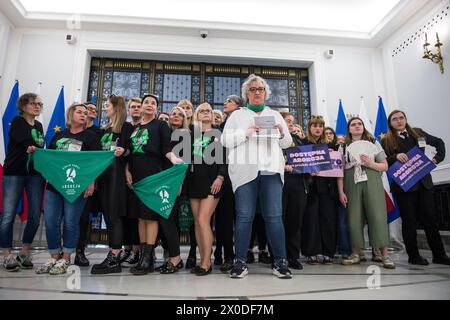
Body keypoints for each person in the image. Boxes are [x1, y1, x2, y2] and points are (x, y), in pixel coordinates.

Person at [221, 74, 293, 279]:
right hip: (245, 172)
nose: (257, 92)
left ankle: (280, 262)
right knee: (244, 217)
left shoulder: (275, 115)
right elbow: (225, 141)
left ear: (265, 93)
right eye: (252, 89)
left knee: (274, 217)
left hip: (271, 169)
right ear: (246, 94)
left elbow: (287, 143)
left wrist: (281, 133)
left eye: (260, 89)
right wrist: (246, 132)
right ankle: (240, 262)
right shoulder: (237, 116)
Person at [35, 103, 101, 275]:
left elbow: (95, 162)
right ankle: (54, 256)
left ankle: (66, 258)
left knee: (71, 222)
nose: (83, 115)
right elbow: (50, 158)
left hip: (77, 187)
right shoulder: (58, 135)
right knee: (50, 222)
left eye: (85, 113)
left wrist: (91, 182)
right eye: (79, 112)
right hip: (54, 185)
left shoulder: (91, 137)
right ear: (70, 115)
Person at [382, 110, 450, 266]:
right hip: (404, 187)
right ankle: (413, 256)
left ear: (405, 119)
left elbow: (439, 142)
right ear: (390, 123)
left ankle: (439, 255)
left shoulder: (418, 133)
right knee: (409, 221)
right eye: (395, 119)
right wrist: (395, 157)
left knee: (430, 221)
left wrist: (437, 159)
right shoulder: (387, 141)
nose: (399, 121)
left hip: (424, 183)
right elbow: (383, 160)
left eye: (401, 118)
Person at [127, 94, 182, 275]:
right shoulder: (135, 128)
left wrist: (173, 158)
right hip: (137, 179)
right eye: (146, 102)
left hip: (153, 177)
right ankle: (146, 259)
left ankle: (146, 259)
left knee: (150, 217)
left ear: (156, 109)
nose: (150, 105)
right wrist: (127, 171)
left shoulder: (160, 125)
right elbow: (131, 152)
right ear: (141, 107)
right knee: (140, 218)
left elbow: (167, 148)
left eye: (153, 103)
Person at [337, 117, 395, 269]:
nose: (357, 126)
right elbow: (339, 171)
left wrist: (370, 163)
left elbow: (385, 166)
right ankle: (356, 254)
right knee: (354, 216)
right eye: (353, 124)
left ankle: (384, 255)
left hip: (372, 178)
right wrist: (340, 191)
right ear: (349, 129)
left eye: (359, 124)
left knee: (377, 215)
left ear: (363, 127)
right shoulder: (343, 146)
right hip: (351, 181)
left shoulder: (374, 142)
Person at [1, 93, 45, 271]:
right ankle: (7, 254)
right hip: (14, 173)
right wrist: (32, 146)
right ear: (24, 106)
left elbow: (40, 146)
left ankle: (24, 252)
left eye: (40, 104)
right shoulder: (17, 122)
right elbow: (26, 142)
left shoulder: (40, 125)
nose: (37, 107)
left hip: (35, 174)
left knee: (35, 215)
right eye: (34, 103)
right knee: (8, 215)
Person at [91, 95, 133, 274]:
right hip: (103, 176)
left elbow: (131, 150)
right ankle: (113, 253)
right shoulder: (105, 129)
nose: (104, 108)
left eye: (107, 105)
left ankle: (114, 256)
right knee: (108, 216)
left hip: (116, 176)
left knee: (114, 216)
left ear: (116, 108)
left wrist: (124, 151)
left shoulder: (126, 127)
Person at [186, 103, 226, 276]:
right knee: (197, 223)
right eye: (201, 111)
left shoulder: (219, 134)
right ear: (197, 115)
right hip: (194, 181)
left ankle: (206, 262)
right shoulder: (190, 134)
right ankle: (202, 258)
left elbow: (226, 158)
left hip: (213, 181)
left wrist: (221, 177)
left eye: (208, 111)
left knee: (203, 220)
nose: (205, 113)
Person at [301, 117, 338, 265]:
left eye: (321, 126)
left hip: (328, 188)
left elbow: (337, 166)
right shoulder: (303, 144)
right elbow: (298, 164)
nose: (318, 129)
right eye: (315, 126)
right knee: (311, 221)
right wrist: (308, 170)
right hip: (310, 188)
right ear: (309, 128)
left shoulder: (330, 145)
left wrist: (331, 155)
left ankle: (328, 253)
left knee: (328, 220)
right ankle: (311, 253)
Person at [214, 95, 243, 272]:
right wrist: (221, 175)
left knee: (242, 218)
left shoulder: (244, 125)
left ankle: (241, 255)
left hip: (242, 177)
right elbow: (220, 156)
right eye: (224, 101)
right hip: (225, 179)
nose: (225, 103)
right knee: (223, 220)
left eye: (229, 101)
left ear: (238, 106)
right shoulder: (220, 129)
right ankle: (228, 255)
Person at [75, 101, 103, 267]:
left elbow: (97, 158)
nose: (91, 111)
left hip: (89, 180)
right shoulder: (69, 132)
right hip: (70, 180)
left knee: (84, 217)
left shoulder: (98, 132)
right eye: (87, 109)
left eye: (94, 109)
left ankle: (80, 251)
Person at [281, 112, 308, 270]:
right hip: (279, 183)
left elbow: (308, 160)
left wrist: (314, 168)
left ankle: (293, 256)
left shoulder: (298, 140)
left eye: (292, 122)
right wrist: (282, 166)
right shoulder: (274, 140)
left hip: (298, 184)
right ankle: (278, 255)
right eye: (287, 121)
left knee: (295, 221)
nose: (291, 124)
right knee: (279, 220)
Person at [121, 98, 142, 267]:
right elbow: (126, 151)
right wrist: (126, 171)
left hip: (143, 175)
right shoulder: (126, 127)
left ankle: (138, 250)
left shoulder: (146, 127)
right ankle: (126, 248)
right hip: (127, 175)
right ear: (128, 110)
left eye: (138, 106)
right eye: (132, 107)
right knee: (126, 213)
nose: (136, 109)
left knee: (138, 215)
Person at [325, 126, 352, 258]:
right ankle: (334, 248)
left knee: (343, 221)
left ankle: (345, 250)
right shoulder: (319, 149)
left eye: (331, 133)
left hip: (341, 189)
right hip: (327, 190)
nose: (328, 135)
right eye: (326, 133)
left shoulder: (341, 147)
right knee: (331, 221)